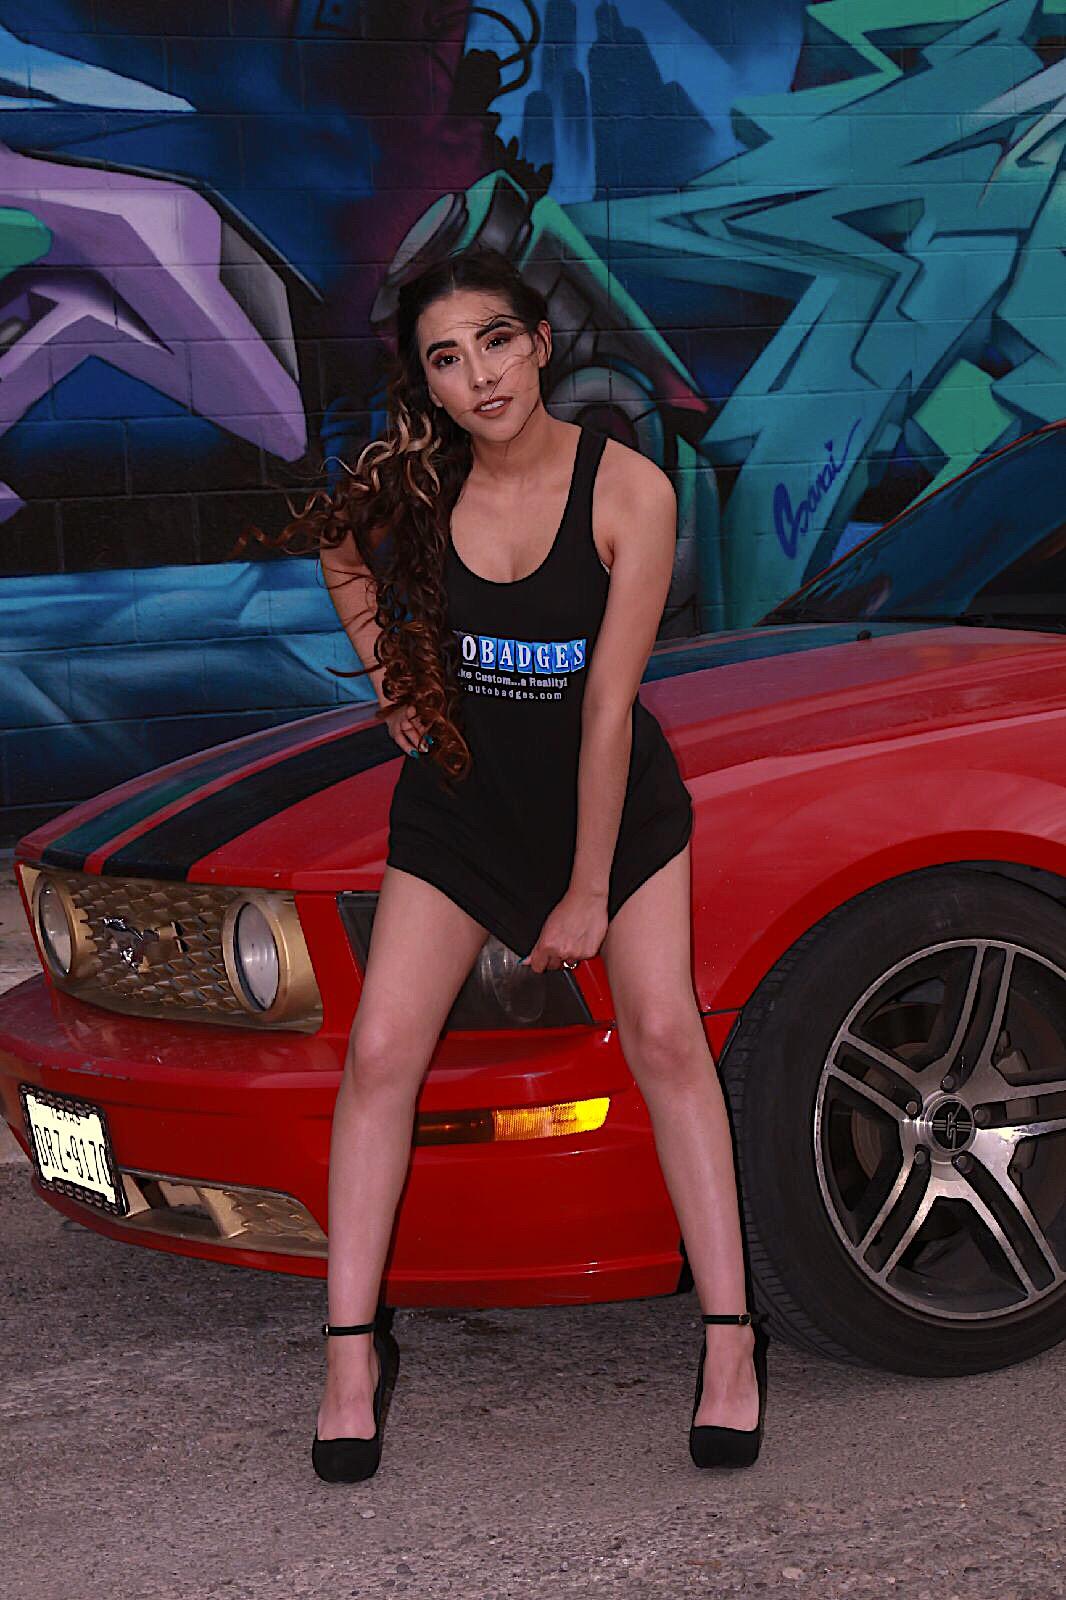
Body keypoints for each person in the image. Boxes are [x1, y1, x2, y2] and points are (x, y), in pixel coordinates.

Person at [269, 247, 769, 1480]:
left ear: (541, 343)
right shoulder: (420, 487)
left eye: (495, 341)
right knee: (381, 1054)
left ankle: (730, 1339)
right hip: (462, 808)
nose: (478, 375)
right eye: (446, 359)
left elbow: (606, 706)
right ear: (428, 385)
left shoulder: (627, 490)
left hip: (614, 811)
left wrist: (589, 888)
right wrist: (392, 682)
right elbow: (338, 550)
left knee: (665, 1037)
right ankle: (349, 1356)